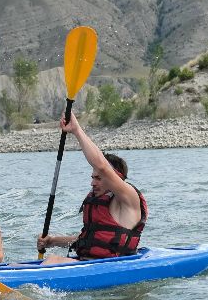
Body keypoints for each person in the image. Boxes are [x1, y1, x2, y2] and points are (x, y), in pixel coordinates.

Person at [37, 111, 148, 264]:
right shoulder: (99, 199)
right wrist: (53, 241)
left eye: (98, 178)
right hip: (87, 264)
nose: (92, 183)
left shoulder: (128, 198)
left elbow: (101, 166)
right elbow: (89, 239)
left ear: (115, 178)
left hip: (112, 268)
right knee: (16, 266)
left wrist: (76, 130)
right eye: (92, 177)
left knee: (53, 261)